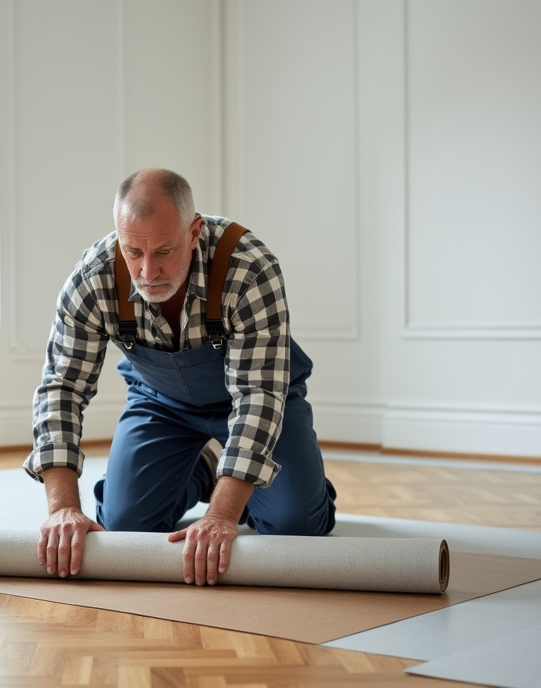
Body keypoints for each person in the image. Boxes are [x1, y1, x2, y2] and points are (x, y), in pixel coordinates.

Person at [24, 168, 336, 585]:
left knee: (295, 527)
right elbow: (62, 387)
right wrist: (62, 507)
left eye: (165, 251)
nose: (148, 271)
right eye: (133, 251)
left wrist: (222, 516)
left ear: (194, 232)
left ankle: (279, 486)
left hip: (254, 403)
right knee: (125, 527)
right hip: (160, 403)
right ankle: (208, 468)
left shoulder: (247, 269)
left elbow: (259, 396)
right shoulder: (92, 279)